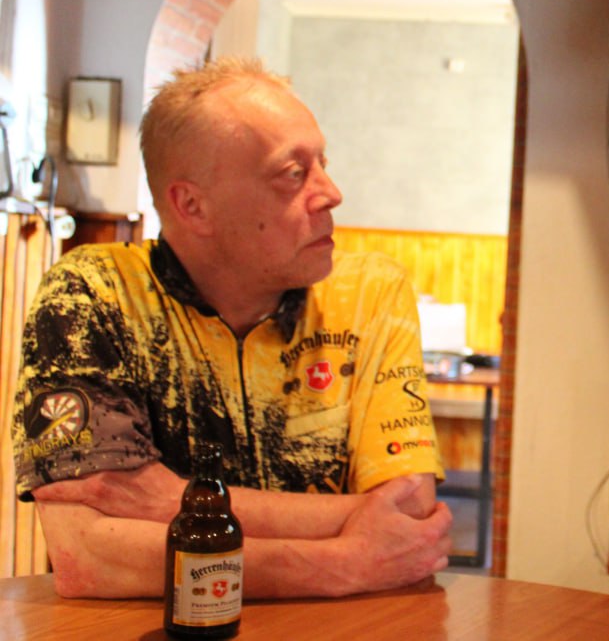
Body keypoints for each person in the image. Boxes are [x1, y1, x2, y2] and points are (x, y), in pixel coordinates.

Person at [10, 57, 452, 599]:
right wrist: (345, 562)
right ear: (193, 206)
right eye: (293, 173)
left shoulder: (370, 291)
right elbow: (90, 558)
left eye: (323, 163)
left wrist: (168, 500)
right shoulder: (94, 294)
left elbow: (408, 514)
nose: (331, 192)